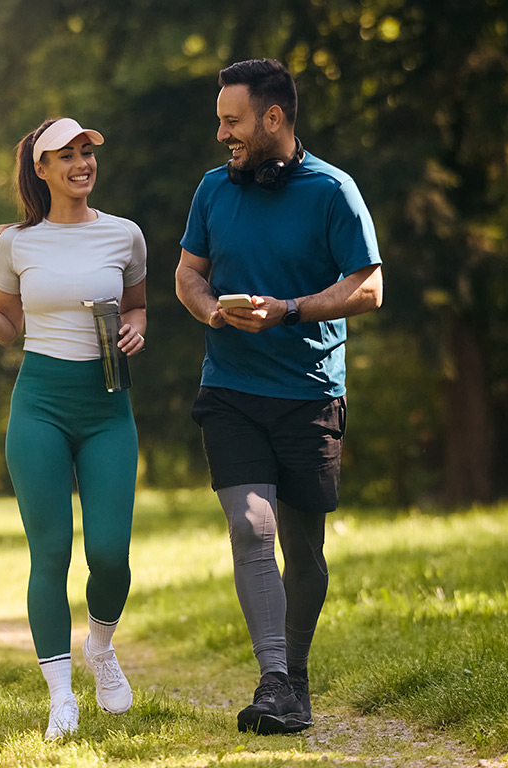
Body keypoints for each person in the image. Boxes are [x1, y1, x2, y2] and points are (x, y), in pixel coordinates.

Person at [175, 59, 382, 735]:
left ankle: (295, 676)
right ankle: (273, 681)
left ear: (273, 118)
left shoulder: (332, 191)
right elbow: (186, 274)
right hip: (230, 389)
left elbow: (369, 287)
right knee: (250, 526)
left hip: (309, 393)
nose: (221, 134)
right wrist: (211, 312)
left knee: (304, 549)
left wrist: (291, 309)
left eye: (231, 121)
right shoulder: (212, 190)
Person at [0, 117, 147, 739]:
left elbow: (137, 304)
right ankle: (61, 697)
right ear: (42, 167)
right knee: (50, 551)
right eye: (68, 155)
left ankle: (101, 648)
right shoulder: (17, 244)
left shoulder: (125, 235)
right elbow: (10, 326)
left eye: (88, 153)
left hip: (108, 406)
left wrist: (139, 327)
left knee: (110, 552)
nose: (82, 163)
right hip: (41, 406)